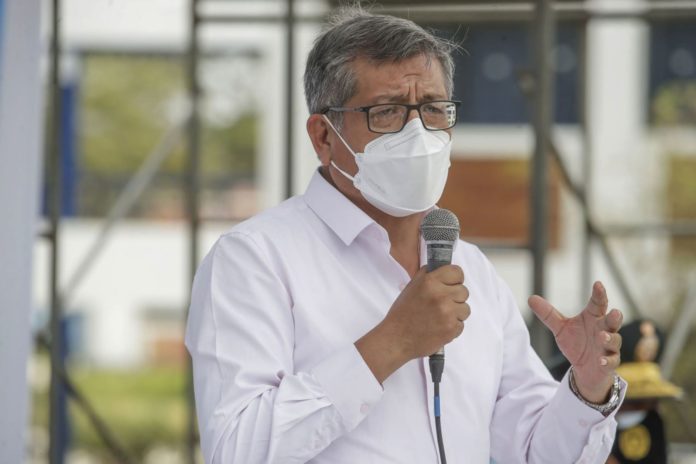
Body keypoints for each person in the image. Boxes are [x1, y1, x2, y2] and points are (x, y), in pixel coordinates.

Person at [186, 6, 627, 463]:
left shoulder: (470, 267)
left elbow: (533, 453)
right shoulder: (254, 260)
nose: (418, 132)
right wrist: (390, 344)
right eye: (388, 111)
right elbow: (236, 449)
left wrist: (585, 391)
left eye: (434, 109)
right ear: (323, 136)